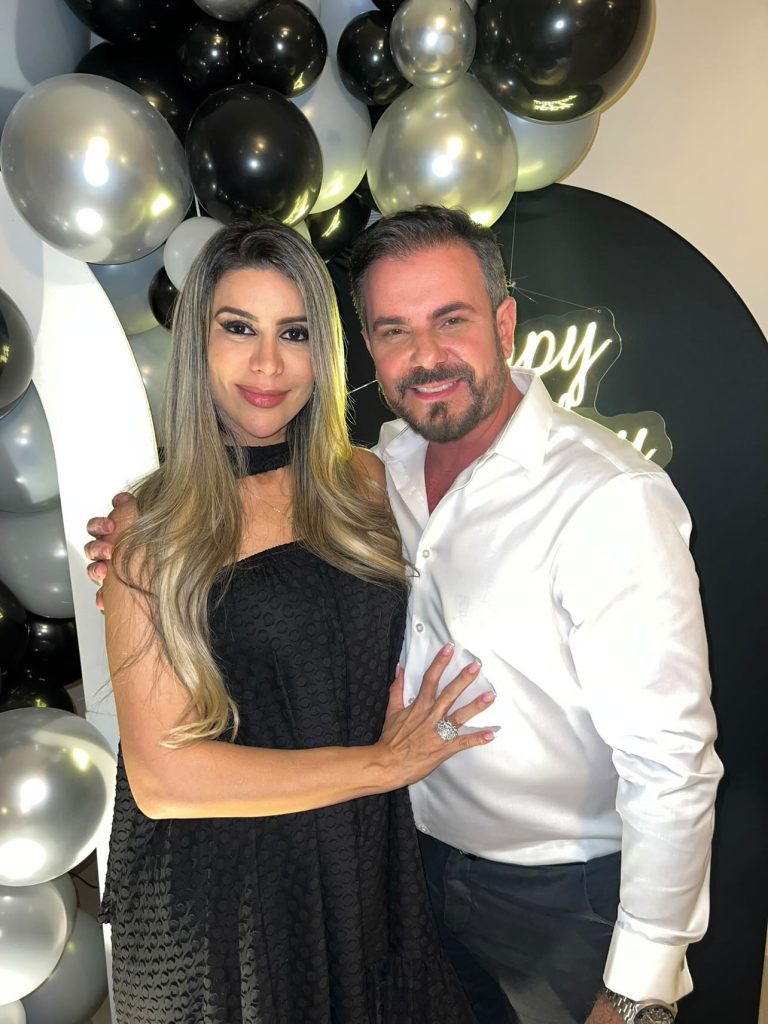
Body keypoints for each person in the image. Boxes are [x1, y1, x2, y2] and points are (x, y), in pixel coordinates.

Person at [88, 206, 723, 1024]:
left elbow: (674, 762)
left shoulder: (597, 497)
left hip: (545, 898)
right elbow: (163, 777)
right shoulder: (383, 469)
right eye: (395, 330)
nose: (425, 356)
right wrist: (140, 536)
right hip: (304, 885)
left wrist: (638, 993)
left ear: (504, 323)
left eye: (450, 320)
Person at [92, 219, 494, 1024]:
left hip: (359, 862)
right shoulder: (149, 527)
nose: (268, 365)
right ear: (197, 345)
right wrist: (381, 765)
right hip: (224, 902)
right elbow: (166, 782)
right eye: (238, 329)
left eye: (295, 333)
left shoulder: (365, 482)